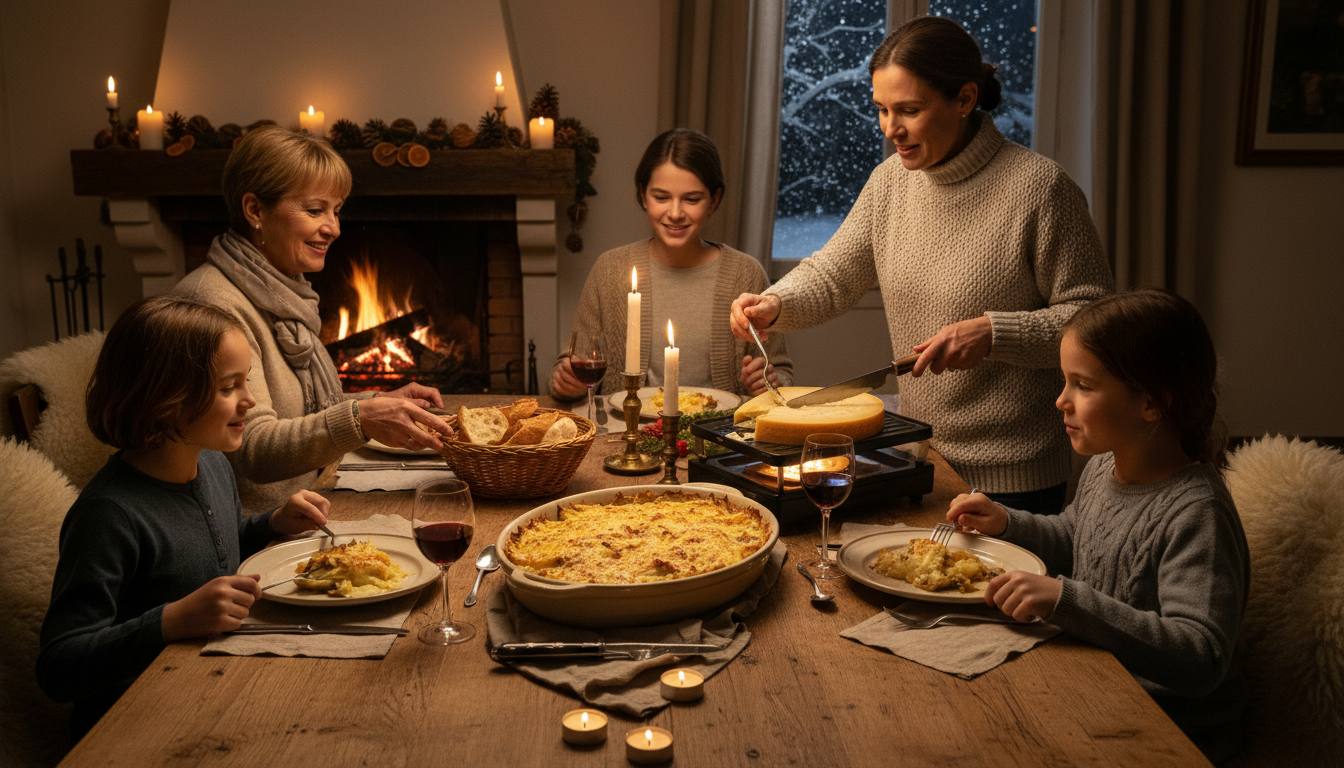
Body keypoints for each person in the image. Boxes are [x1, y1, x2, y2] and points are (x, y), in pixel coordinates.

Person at [730, 17, 1113, 515]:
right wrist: (775, 303)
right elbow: (833, 275)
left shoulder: (1042, 189)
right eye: (882, 109)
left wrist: (994, 333)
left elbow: (1095, 324)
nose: (891, 129)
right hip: (915, 458)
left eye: (909, 110)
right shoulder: (889, 182)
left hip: (1014, 480)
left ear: (965, 98)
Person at [947, 289, 1249, 763]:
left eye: (1083, 386)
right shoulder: (1104, 466)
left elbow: (1200, 656)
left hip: (1171, 732)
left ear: (1152, 404)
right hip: (1098, 687)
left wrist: (1067, 601)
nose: (1061, 401)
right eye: (1065, 382)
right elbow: (1076, 538)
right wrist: (1005, 523)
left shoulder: (1197, 513)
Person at [37, 296, 335, 738]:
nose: (250, 400)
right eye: (228, 387)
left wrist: (272, 523)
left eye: (246, 381)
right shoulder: (107, 515)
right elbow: (58, 666)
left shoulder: (211, 463)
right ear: (166, 400)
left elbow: (211, 548)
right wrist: (171, 621)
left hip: (210, 687)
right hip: (134, 727)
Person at [173, 125, 453, 510]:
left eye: (336, 211)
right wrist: (361, 418)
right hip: (261, 527)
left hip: (316, 494)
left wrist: (375, 403)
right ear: (255, 210)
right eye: (315, 210)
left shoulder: (283, 289)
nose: (334, 229)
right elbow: (250, 446)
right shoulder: (212, 304)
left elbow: (298, 411)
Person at [551, 128, 791, 402]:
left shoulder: (746, 274)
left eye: (692, 199)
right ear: (643, 195)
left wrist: (770, 382)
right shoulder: (609, 271)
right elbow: (569, 366)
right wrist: (566, 384)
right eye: (661, 197)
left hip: (721, 428)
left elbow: (782, 373)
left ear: (714, 200)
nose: (675, 213)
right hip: (628, 426)